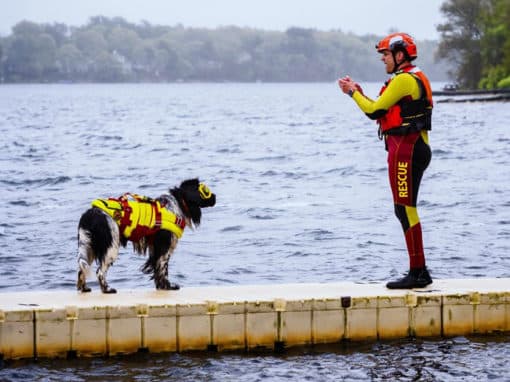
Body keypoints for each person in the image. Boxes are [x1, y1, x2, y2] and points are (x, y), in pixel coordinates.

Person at [338, 32, 433, 289]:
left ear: (400, 55)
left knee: (405, 209)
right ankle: (419, 270)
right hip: (411, 148)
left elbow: (373, 111)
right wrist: (359, 91)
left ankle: (419, 272)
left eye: (386, 55)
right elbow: (381, 107)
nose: (383, 60)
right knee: (404, 208)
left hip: (407, 150)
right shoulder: (409, 78)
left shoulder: (404, 80)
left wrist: (351, 94)